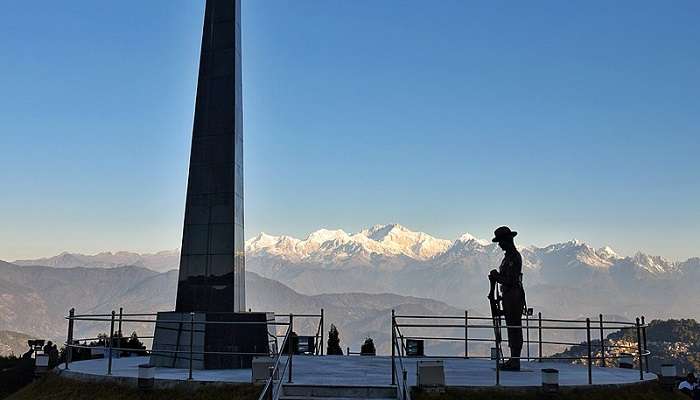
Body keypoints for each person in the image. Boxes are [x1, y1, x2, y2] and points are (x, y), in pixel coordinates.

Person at [488, 226, 525, 371]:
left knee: (515, 327)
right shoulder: (508, 257)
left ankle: (515, 360)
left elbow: (511, 279)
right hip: (509, 295)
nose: (499, 244)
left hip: (513, 295)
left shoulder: (514, 257)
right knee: (511, 326)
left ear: (506, 240)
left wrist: (496, 276)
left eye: (500, 241)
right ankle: (513, 359)